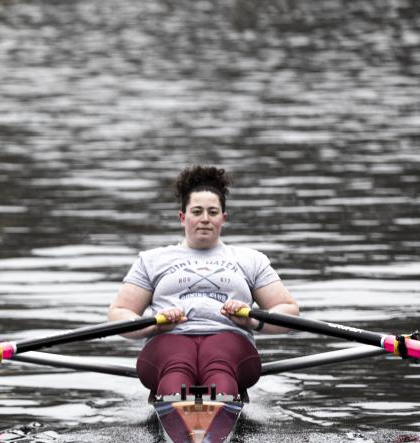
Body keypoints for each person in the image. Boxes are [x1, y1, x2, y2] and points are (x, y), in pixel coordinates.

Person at [108, 165, 300, 401]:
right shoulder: (152, 260)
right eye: (197, 211)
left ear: (223, 218)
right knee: (177, 367)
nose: (205, 219)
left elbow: (288, 310)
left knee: (218, 364)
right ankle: (181, 409)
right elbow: (119, 313)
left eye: (213, 212)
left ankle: (214, 409)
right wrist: (153, 326)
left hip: (230, 340)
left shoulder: (251, 259)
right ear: (183, 217)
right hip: (167, 341)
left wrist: (251, 319)